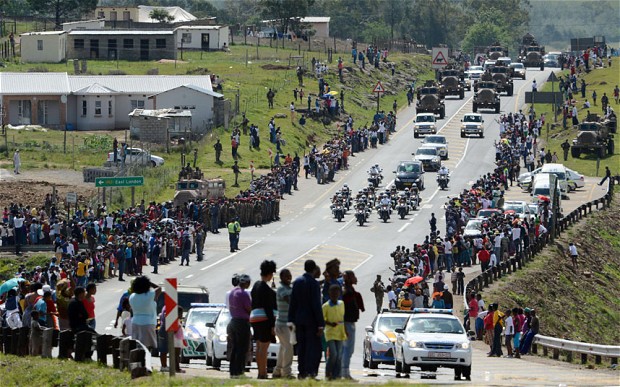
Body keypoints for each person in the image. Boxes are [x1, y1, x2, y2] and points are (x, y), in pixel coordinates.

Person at [288, 260, 325, 380]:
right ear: (314, 269)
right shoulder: (314, 284)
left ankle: (301, 371)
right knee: (313, 347)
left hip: (299, 320)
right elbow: (316, 305)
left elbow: (292, 302)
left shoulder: (297, 282)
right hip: (311, 321)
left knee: (301, 347)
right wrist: (320, 324)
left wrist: (290, 319)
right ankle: (310, 372)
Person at [250, 260, 277, 379]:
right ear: (270, 274)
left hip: (254, 318)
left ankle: (260, 371)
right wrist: (272, 325)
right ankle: (263, 372)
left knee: (259, 346)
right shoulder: (265, 288)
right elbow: (268, 308)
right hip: (264, 319)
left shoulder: (255, 285)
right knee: (264, 347)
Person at [227, 274, 252, 378]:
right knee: (242, 348)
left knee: (235, 347)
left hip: (233, 321)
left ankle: (233, 371)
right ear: (245, 283)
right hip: (242, 322)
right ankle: (239, 371)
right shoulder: (243, 294)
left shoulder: (232, 292)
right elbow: (249, 308)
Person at [341, 270, 364, 380]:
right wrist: (343, 327)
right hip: (346, 323)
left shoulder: (351, 290)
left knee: (349, 350)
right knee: (347, 349)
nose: (356, 278)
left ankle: (345, 372)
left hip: (350, 323)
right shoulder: (346, 291)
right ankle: (344, 373)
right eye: (353, 276)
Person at [129, 276, 161, 351]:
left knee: (137, 346)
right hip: (148, 322)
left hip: (135, 322)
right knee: (147, 347)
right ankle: (145, 361)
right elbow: (159, 288)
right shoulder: (150, 295)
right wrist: (149, 283)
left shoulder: (132, 296)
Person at [322, 284, 346, 380]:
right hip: (330, 333)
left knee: (339, 355)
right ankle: (328, 373)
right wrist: (330, 323)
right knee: (333, 354)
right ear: (329, 294)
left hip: (340, 332)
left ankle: (337, 375)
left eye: (337, 292)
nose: (335, 295)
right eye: (333, 293)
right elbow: (322, 319)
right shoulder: (325, 306)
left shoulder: (341, 304)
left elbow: (343, 317)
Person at [273, 269, 294, 379]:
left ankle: (277, 371)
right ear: (281, 277)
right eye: (286, 276)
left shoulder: (288, 288)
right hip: (283, 324)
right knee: (289, 347)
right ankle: (286, 372)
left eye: (290, 275)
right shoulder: (281, 289)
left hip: (283, 323)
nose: (289, 278)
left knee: (283, 347)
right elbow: (289, 300)